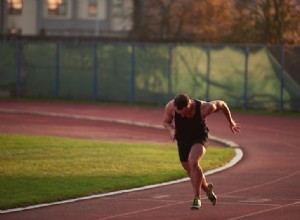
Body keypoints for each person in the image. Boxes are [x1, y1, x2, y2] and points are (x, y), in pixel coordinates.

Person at [162, 93, 240, 209]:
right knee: (191, 172)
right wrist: (171, 130)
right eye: (178, 112)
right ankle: (208, 190)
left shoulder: (204, 108)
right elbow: (166, 122)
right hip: (183, 140)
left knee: (193, 161)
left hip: (199, 137)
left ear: (189, 105)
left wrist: (231, 122)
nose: (181, 114)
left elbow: (222, 104)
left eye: (183, 111)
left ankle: (197, 199)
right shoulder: (171, 107)